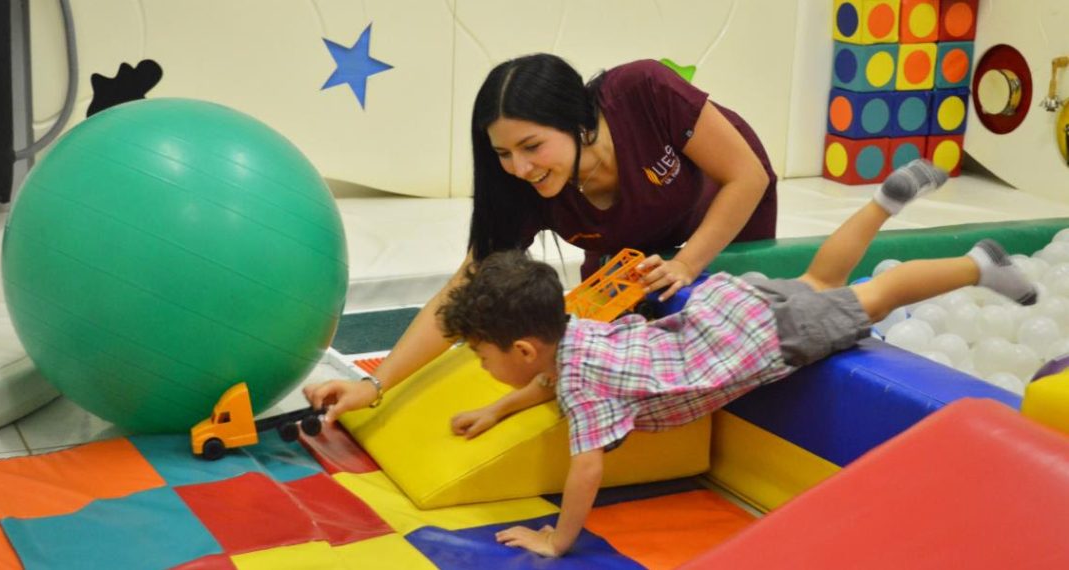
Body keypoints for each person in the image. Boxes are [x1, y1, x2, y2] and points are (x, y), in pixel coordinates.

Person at [433, 160, 1037, 557]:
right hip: (733, 303)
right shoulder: (576, 334)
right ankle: (884, 201)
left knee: (874, 298)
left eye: (484, 358)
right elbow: (545, 381)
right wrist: (498, 408)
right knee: (822, 277)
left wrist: (557, 540)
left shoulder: (583, 389)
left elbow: (586, 467)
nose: (484, 367)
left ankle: (977, 265)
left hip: (765, 339)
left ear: (522, 347)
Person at [305, 53, 777, 421]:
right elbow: (468, 286)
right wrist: (375, 385)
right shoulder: (523, 187)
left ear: (579, 122)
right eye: (503, 153)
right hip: (633, 240)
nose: (520, 168)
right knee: (608, 344)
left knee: (731, 321)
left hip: (726, 208)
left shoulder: (644, 89)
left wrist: (688, 262)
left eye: (532, 147)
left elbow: (745, 177)